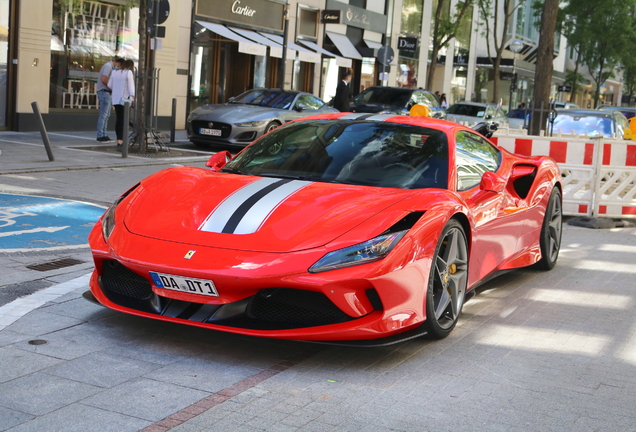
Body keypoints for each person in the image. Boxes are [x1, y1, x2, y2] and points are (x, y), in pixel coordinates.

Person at [108, 59, 135, 147]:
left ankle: (119, 139)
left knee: (119, 119)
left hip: (115, 99)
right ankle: (123, 139)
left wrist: (116, 89)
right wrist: (133, 96)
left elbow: (109, 85)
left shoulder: (114, 72)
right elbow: (131, 86)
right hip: (125, 99)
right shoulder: (128, 73)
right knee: (124, 120)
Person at [96, 57, 122, 142]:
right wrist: (112, 87)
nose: (119, 67)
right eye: (119, 65)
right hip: (104, 92)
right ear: (117, 62)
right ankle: (100, 135)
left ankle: (104, 134)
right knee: (104, 115)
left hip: (106, 92)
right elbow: (104, 79)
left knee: (106, 115)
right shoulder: (108, 66)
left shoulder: (109, 67)